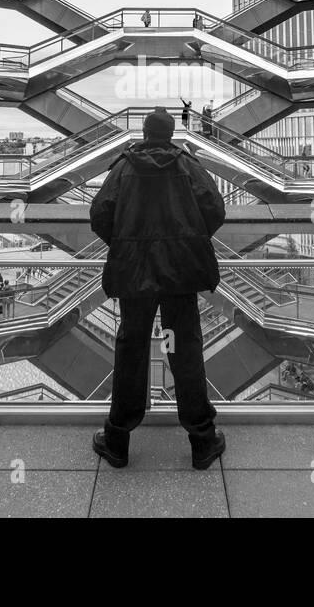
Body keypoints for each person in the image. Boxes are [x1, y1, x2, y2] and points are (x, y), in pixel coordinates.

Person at [89, 108, 227, 470]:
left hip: (135, 275)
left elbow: (100, 214)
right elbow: (215, 208)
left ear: (146, 133)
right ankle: (202, 441)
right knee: (184, 350)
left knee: (130, 351)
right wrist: (189, 240)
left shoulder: (124, 167)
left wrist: (126, 243)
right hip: (180, 274)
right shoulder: (188, 165)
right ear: (170, 134)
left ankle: (117, 440)